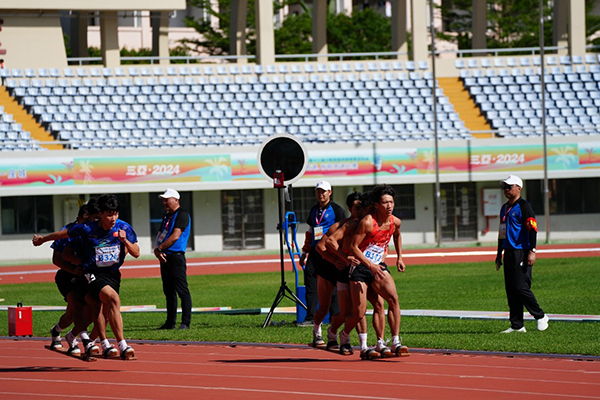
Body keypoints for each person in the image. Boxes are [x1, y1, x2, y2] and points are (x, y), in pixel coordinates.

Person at [33, 194, 140, 359]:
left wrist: (125, 242)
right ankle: (122, 344)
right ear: (101, 214)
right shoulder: (87, 229)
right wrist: (42, 239)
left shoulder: (122, 228)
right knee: (112, 299)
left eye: (116, 213)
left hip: (112, 274)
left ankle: (97, 342)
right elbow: (61, 235)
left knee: (103, 308)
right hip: (92, 273)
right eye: (109, 214)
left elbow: (137, 253)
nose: (113, 218)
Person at [339, 184, 409, 358]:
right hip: (360, 268)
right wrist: (369, 265)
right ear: (377, 205)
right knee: (359, 312)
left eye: (391, 202)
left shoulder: (395, 221)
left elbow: (397, 234)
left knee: (391, 299)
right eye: (385, 202)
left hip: (378, 266)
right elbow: (354, 248)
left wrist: (399, 257)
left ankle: (394, 342)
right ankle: (345, 334)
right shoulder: (368, 222)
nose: (389, 206)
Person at [495, 175, 549, 333]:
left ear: (518, 188)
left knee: (521, 287)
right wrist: (499, 254)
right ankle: (517, 325)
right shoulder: (504, 208)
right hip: (509, 252)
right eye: (504, 187)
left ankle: (540, 316)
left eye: (509, 186)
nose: (506, 189)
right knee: (511, 289)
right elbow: (501, 233)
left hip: (522, 251)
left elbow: (533, 230)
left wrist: (532, 251)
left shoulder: (525, 207)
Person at [298, 181, 346, 329]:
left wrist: (340, 253)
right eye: (318, 191)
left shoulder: (337, 210)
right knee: (310, 283)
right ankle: (310, 317)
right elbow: (310, 232)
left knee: (333, 283)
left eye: (324, 191)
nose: (321, 194)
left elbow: (343, 232)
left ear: (330, 192)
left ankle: (335, 316)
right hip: (314, 252)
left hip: (329, 252)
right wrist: (304, 252)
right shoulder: (313, 210)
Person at [154, 189, 193, 330]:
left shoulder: (182, 214)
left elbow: (175, 236)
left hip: (176, 257)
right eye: (163, 200)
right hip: (164, 256)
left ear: (176, 200)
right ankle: (170, 322)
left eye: (167, 199)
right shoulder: (166, 216)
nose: (164, 202)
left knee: (182, 291)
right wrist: (157, 250)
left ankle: (185, 323)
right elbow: (160, 234)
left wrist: (160, 248)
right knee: (168, 292)